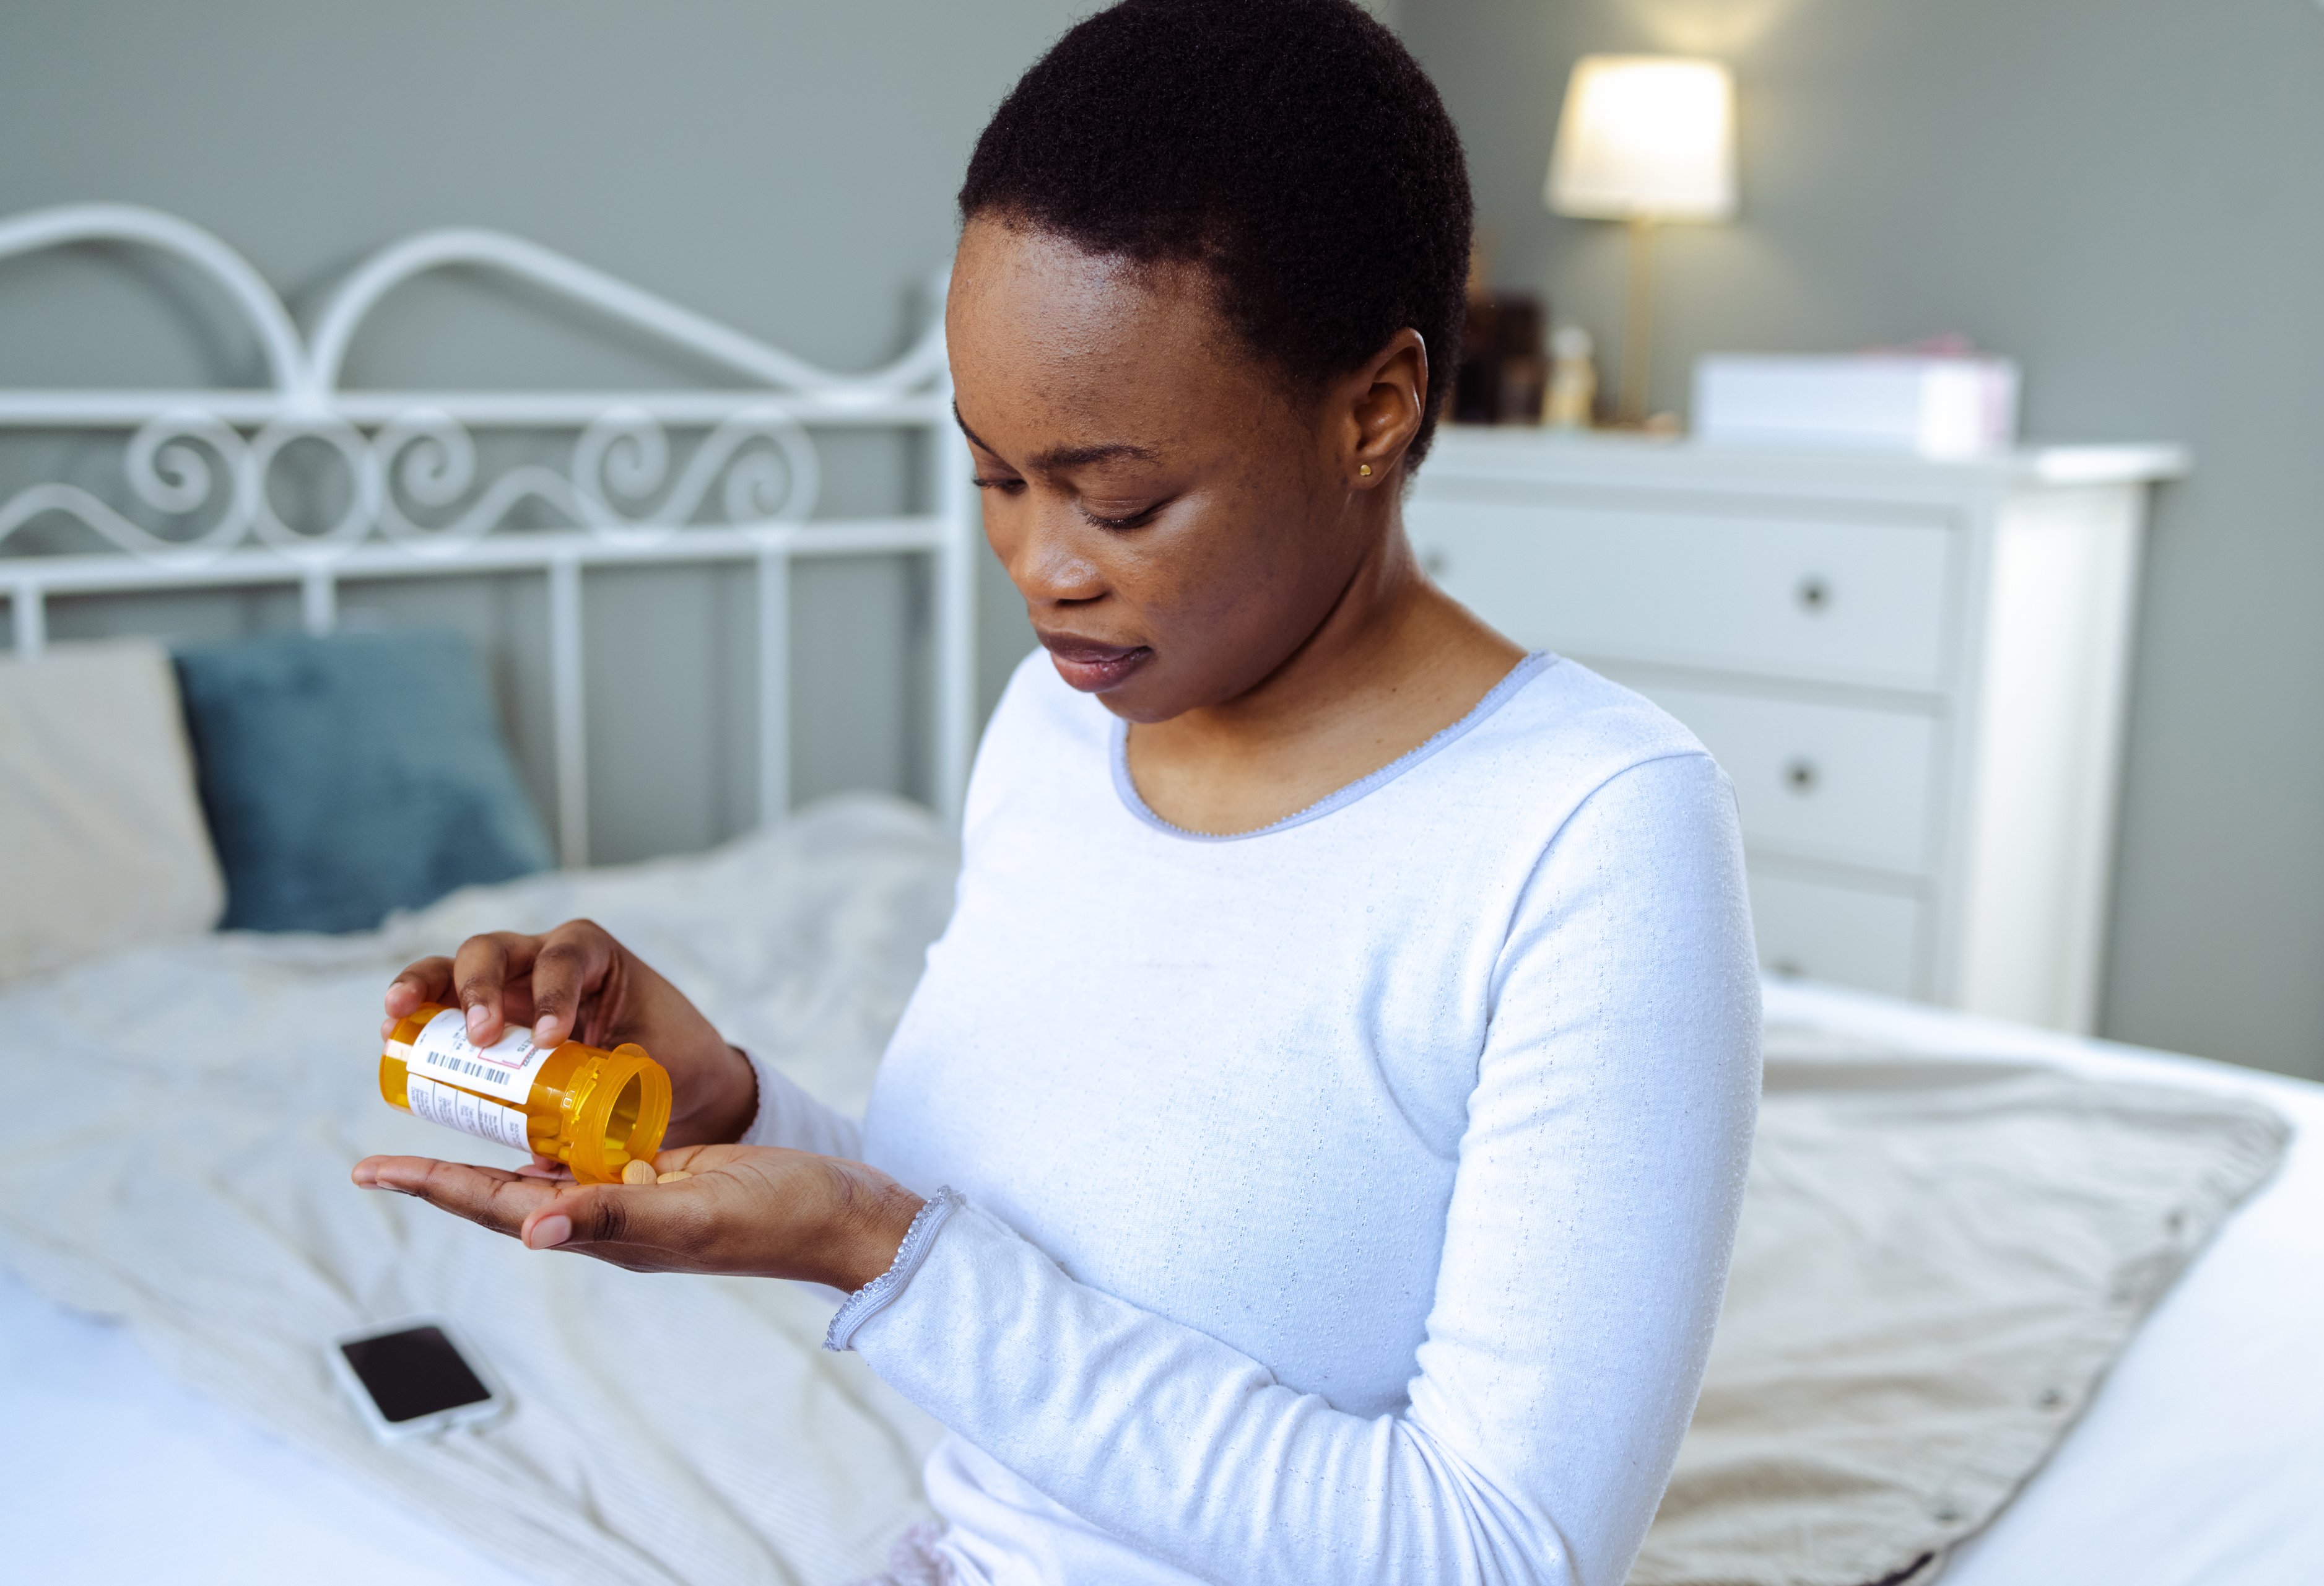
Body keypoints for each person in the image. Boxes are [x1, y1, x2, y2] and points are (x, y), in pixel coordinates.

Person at [352, 2, 1762, 1580]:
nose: (1040, 569)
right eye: (994, 477)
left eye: (1120, 498)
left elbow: (1498, 1550)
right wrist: (732, 1113)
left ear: (1376, 411)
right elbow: (1004, 1251)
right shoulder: (1055, 727)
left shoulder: (1595, 831)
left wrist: (870, 1249)